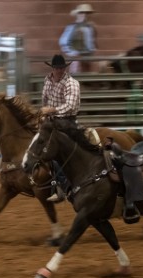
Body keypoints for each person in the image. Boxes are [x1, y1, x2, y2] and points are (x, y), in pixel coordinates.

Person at [42, 54, 81, 203]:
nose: (59, 70)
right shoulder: (47, 81)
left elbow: (70, 106)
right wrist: (46, 113)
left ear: (65, 68)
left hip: (67, 122)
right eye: (56, 68)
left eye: (61, 68)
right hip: (52, 122)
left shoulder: (71, 83)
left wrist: (51, 110)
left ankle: (63, 186)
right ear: (52, 68)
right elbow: (44, 100)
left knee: (54, 150)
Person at [59, 3, 97, 73]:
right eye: (82, 13)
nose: (84, 15)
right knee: (76, 76)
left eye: (87, 13)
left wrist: (91, 51)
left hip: (87, 57)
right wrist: (72, 53)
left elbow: (91, 42)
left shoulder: (90, 28)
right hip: (76, 58)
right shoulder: (72, 27)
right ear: (77, 14)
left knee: (87, 76)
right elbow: (63, 42)